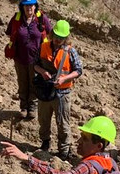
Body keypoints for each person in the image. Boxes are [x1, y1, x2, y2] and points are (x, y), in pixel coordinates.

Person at [1, 116, 120, 174]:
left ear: (99, 146)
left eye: (85, 139)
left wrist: (26, 158)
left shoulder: (88, 167)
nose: (78, 141)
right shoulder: (111, 162)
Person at [35, 20, 83, 159]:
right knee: (43, 120)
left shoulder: (70, 51)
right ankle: (45, 142)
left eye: (61, 38)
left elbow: (79, 70)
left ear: (66, 38)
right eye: (56, 36)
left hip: (62, 93)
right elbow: (35, 65)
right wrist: (43, 72)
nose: (57, 40)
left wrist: (64, 79)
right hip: (45, 90)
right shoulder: (43, 46)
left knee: (62, 123)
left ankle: (64, 151)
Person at [5, 0, 50, 120]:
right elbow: (9, 33)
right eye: (26, 5)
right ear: (22, 6)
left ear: (35, 6)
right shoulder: (16, 18)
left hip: (36, 60)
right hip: (20, 58)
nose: (29, 8)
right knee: (22, 83)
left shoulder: (41, 19)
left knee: (34, 83)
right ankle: (23, 107)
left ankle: (32, 108)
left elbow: (50, 33)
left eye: (31, 5)